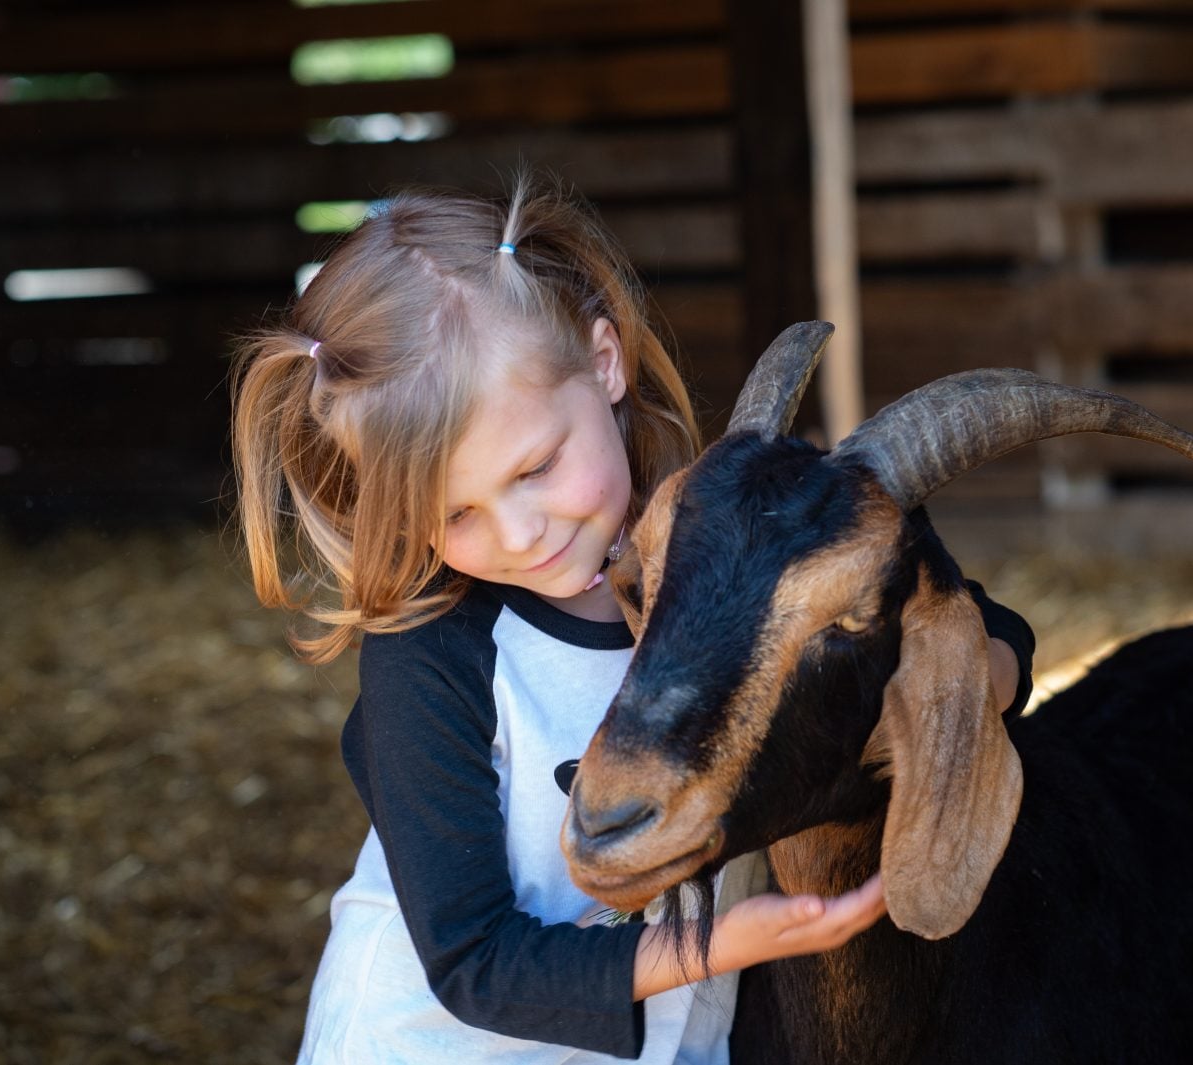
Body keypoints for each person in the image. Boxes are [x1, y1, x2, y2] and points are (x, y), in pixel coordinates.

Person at [230, 176, 1035, 1063]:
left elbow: (971, 624)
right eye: (454, 515)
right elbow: (473, 962)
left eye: (535, 467)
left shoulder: (703, 545)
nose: (519, 531)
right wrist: (726, 944)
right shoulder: (431, 658)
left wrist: (957, 691)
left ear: (603, 360)